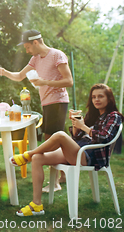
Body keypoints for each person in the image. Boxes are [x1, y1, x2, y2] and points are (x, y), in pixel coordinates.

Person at [10, 83, 122, 217]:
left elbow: (104, 137)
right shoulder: (93, 115)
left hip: (90, 156)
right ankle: (36, 205)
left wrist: (84, 127)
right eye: (93, 97)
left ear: (109, 99)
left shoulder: (114, 116)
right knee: (37, 158)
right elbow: (76, 137)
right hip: (78, 150)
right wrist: (76, 125)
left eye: (100, 96)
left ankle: (28, 154)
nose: (96, 100)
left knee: (60, 135)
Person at [0, 29, 73, 191]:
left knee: (51, 142)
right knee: (54, 140)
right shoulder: (35, 59)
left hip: (58, 102)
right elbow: (20, 76)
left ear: (36, 42)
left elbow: (69, 81)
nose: (27, 50)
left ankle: (55, 182)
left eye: (27, 47)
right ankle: (62, 175)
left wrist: (44, 82)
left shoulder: (57, 55)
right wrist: (3, 72)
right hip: (47, 103)